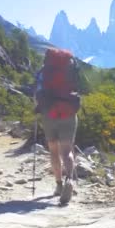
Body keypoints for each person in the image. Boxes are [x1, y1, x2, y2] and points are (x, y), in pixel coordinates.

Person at [34, 48, 82, 204]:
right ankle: (70, 180)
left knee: (53, 150)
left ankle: (59, 185)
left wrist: (39, 108)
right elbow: (77, 87)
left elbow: (37, 93)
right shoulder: (70, 68)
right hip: (68, 112)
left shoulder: (43, 72)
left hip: (49, 114)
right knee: (67, 151)